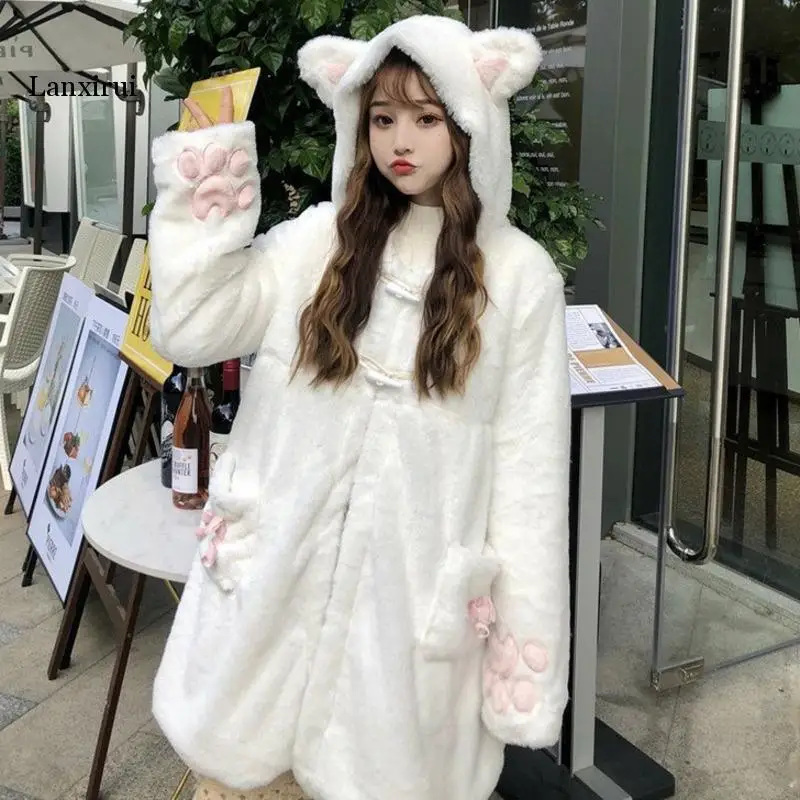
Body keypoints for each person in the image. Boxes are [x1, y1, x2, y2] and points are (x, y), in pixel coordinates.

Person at [148, 14, 571, 800]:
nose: (399, 141)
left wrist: (524, 664)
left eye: (426, 118)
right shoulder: (321, 242)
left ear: (470, 126)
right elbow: (193, 327)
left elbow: (530, 486)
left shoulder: (519, 279)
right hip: (258, 634)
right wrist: (209, 179)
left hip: (403, 651)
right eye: (382, 118)